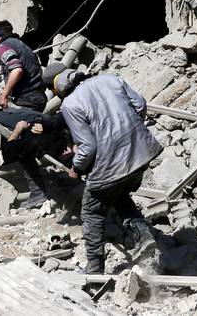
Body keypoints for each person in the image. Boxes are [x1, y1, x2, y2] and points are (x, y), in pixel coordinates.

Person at [42, 63, 163, 274]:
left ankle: (94, 271)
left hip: (112, 163)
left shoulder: (70, 104)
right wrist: (131, 133)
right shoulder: (109, 79)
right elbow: (140, 104)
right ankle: (144, 235)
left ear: (55, 88)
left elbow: (88, 147)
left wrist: (77, 169)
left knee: (91, 212)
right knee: (118, 194)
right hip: (142, 153)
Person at [0, 107, 72, 208]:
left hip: (29, 123)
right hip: (37, 120)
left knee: (21, 151)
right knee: (6, 117)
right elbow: (63, 115)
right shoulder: (58, 129)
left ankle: (37, 191)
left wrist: (18, 129)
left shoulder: (38, 142)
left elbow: (11, 148)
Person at [0, 20, 46, 112]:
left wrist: (4, 95)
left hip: (26, 100)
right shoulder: (22, 45)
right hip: (39, 98)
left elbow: (17, 70)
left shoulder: (3, 46)